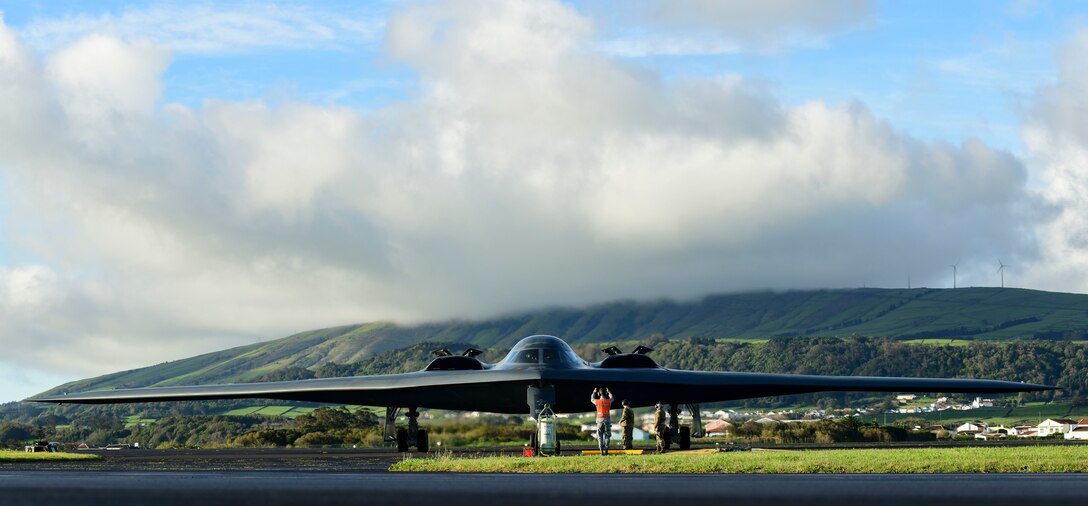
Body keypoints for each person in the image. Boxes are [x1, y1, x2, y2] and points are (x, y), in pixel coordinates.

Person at [591, 387, 613, 455]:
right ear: (606, 394)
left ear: (599, 394)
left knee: (600, 436)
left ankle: (601, 450)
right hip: (607, 420)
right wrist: (609, 392)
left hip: (599, 421)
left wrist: (594, 392)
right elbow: (612, 398)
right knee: (607, 435)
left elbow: (592, 399)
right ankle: (606, 450)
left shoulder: (597, 401)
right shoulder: (608, 401)